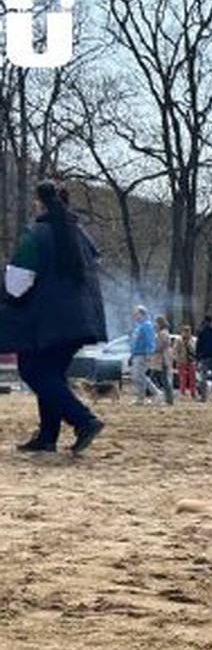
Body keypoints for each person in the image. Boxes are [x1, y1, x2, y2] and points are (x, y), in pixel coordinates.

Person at [0, 180, 106, 453]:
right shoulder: (81, 235)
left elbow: (16, 285)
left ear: (39, 202)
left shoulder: (35, 235)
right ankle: (47, 436)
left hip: (46, 323)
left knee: (33, 370)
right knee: (51, 375)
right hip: (82, 319)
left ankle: (84, 420)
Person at [129, 305, 160, 403]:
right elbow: (135, 341)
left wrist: (149, 353)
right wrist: (132, 354)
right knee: (137, 376)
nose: (134, 316)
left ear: (142, 314)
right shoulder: (138, 326)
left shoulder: (147, 325)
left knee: (139, 375)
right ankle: (142, 397)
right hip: (137, 354)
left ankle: (154, 393)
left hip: (143, 354)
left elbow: (150, 340)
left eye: (136, 314)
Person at [150, 314, 175, 405]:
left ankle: (168, 399)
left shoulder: (163, 333)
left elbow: (162, 346)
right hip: (160, 360)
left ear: (160, 323)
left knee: (163, 380)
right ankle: (162, 397)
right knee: (157, 379)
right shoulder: (162, 332)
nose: (154, 324)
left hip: (162, 359)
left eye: (156, 323)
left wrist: (153, 349)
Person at [174, 323, 197, 398]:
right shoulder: (179, 340)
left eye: (188, 331)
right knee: (182, 378)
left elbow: (195, 350)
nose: (187, 333)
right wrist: (178, 360)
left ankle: (193, 392)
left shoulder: (193, 340)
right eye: (185, 331)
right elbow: (176, 351)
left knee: (192, 378)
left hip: (191, 361)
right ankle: (182, 392)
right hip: (182, 361)